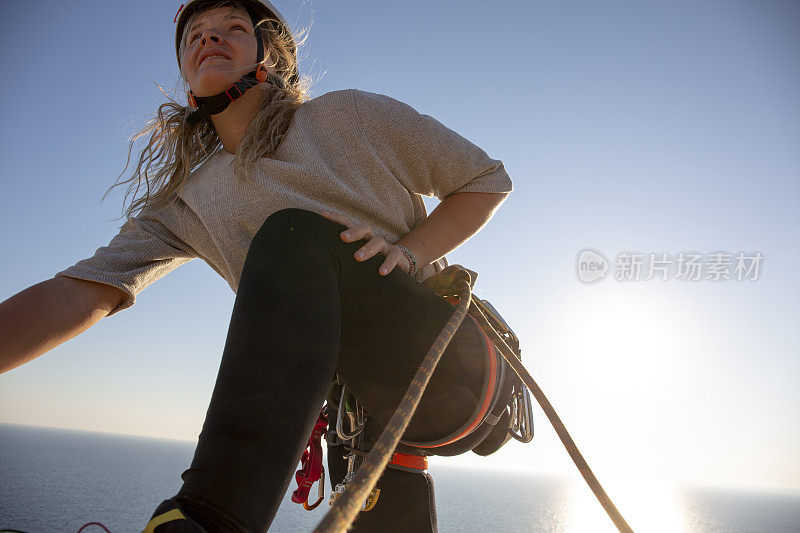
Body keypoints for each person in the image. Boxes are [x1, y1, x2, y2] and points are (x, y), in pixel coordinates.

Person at [0, 1, 515, 531]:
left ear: (267, 56)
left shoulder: (348, 116)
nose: (209, 38)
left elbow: (485, 180)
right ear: (185, 74)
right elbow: (81, 292)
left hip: (446, 367)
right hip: (359, 419)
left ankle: (210, 518)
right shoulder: (188, 200)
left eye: (232, 28)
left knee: (295, 235)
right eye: (194, 34)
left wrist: (408, 252)